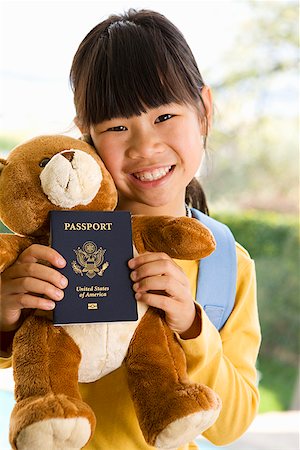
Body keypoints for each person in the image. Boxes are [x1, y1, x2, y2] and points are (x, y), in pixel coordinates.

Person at [0, 9, 261, 450]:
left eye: (164, 117)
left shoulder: (224, 263)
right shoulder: (50, 243)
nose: (145, 147)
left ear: (205, 110)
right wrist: (5, 315)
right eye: (118, 127)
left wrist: (194, 326)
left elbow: (231, 424)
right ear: (87, 135)